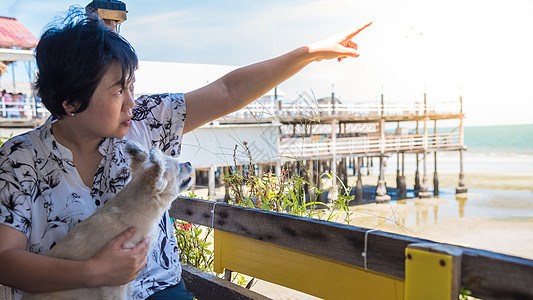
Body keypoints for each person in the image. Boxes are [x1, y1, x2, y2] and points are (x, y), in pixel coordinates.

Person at [0, 9, 370, 300]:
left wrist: (308, 54)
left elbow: (227, 91)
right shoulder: (20, 160)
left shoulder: (146, 120)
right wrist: (96, 272)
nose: (132, 101)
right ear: (71, 101)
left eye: (131, 86)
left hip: (160, 293)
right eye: (117, 91)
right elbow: (6, 261)